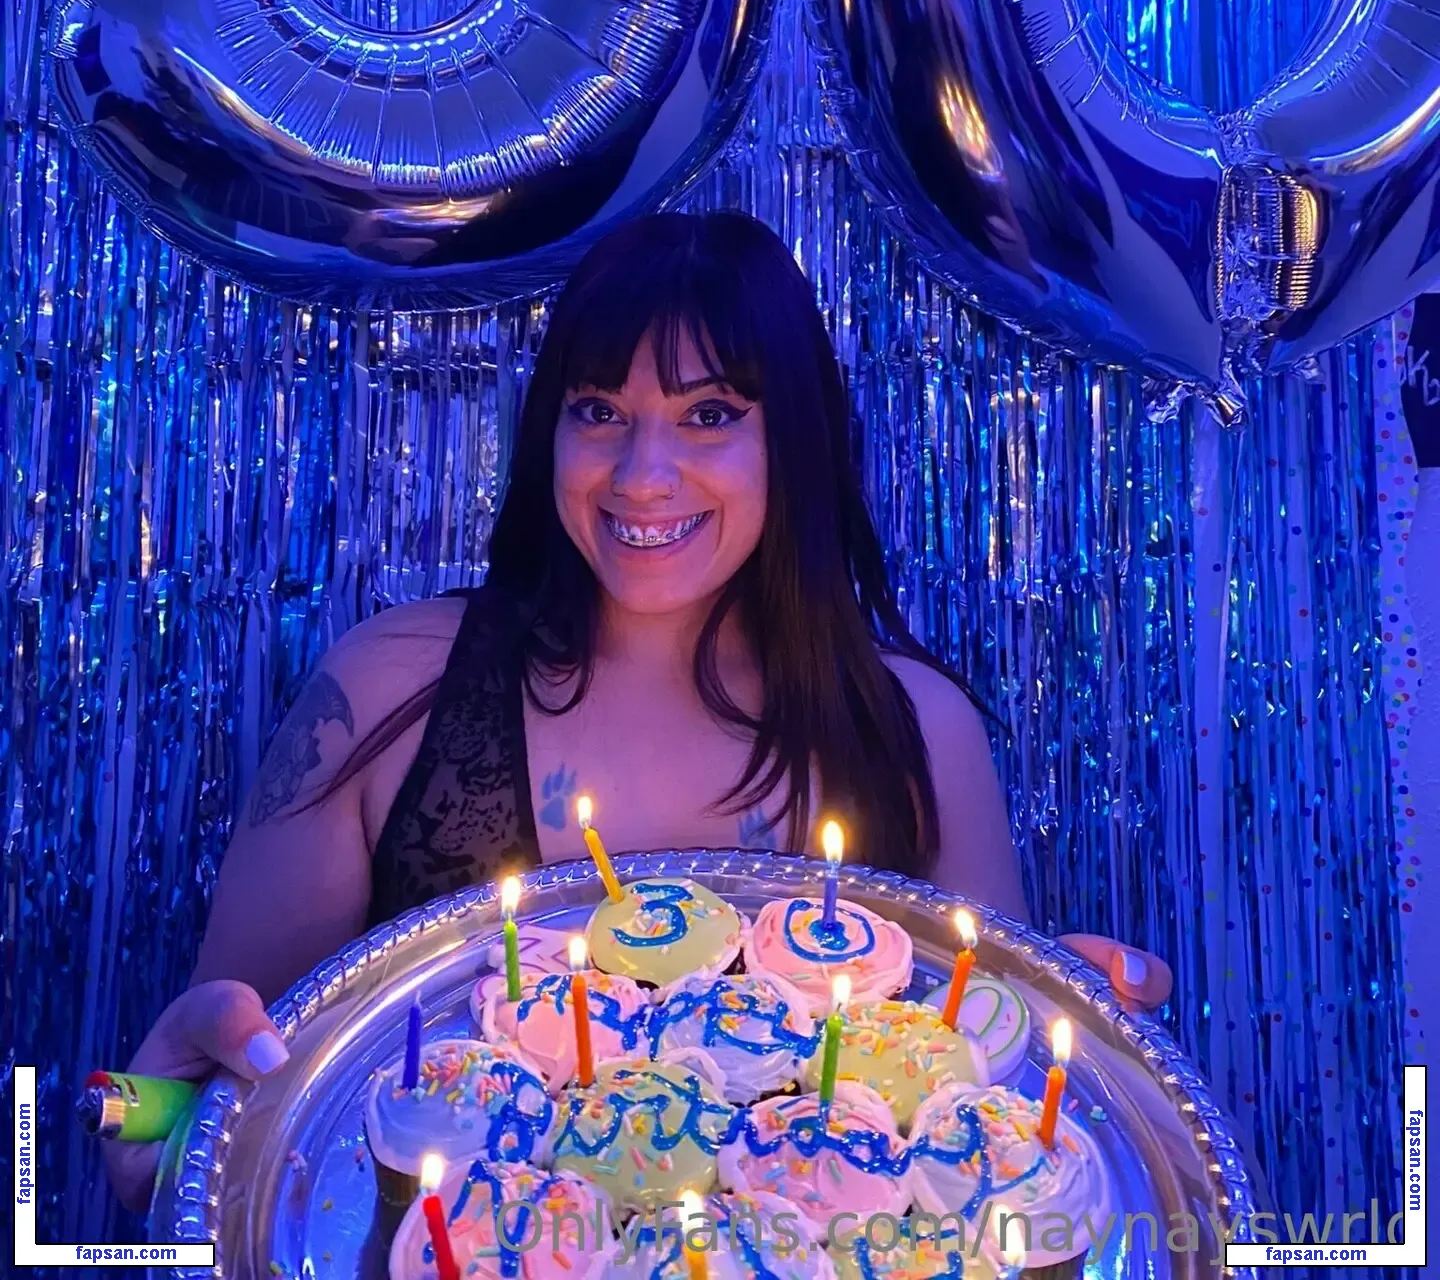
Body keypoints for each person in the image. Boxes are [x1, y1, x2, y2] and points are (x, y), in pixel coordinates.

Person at [104, 211, 1171, 1211]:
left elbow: (991, 1109)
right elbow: (220, 1116)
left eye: (710, 415)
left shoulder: (918, 733)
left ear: (794, 442)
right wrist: (138, 1121)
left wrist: (1077, 1049)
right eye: (600, 411)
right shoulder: (388, 689)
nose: (643, 475)